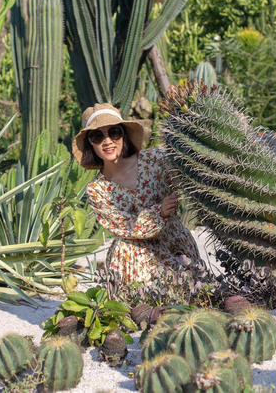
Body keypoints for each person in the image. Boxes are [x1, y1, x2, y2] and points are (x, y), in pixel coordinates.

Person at [72, 103, 202, 284]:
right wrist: (159, 212)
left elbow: (190, 174)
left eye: (114, 132)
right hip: (133, 254)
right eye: (97, 136)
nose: (107, 141)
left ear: (124, 135)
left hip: (173, 243)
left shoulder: (156, 159)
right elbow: (125, 226)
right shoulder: (96, 190)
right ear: (90, 143)